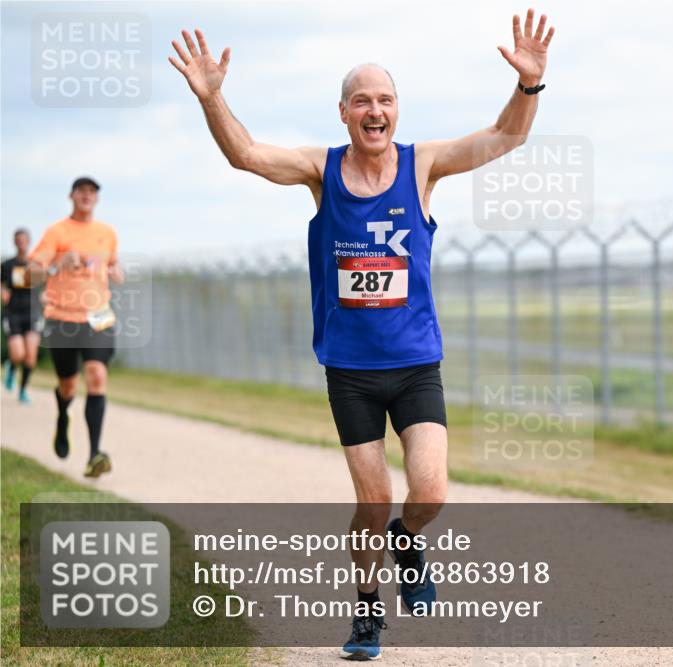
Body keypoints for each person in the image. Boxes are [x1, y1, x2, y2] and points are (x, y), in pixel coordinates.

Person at [171, 9, 554, 660]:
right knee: (372, 500)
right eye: (361, 101)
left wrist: (528, 88)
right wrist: (214, 99)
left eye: (385, 100)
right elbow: (246, 155)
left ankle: (412, 537)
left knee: (429, 491)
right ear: (344, 112)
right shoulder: (321, 170)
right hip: (349, 368)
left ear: (396, 110)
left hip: (414, 364)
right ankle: (367, 610)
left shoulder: (422, 164)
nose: (374, 110)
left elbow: (501, 140)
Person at [29, 177, 123, 478]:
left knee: (97, 375)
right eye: (81, 191)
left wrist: (115, 270)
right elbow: (30, 274)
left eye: (92, 192)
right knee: (68, 385)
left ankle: (94, 454)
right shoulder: (57, 232)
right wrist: (57, 265)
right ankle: (62, 415)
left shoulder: (107, 233)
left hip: (98, 315)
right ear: (72, 196)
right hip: (62, 318)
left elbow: (114, 265)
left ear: (97, 199)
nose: (87, 196)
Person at [2, 228, 44, 403]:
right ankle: (11, 365)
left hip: (33, 312)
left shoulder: (36, 263)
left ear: (29, 242)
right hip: (13, 313)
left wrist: (47, 294)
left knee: (31, 356)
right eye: (18, 240)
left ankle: (23, 390)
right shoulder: (7, 265)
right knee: (19, 354)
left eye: (24, 240)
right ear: (14, 242)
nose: (21, 243)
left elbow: (52, 279)